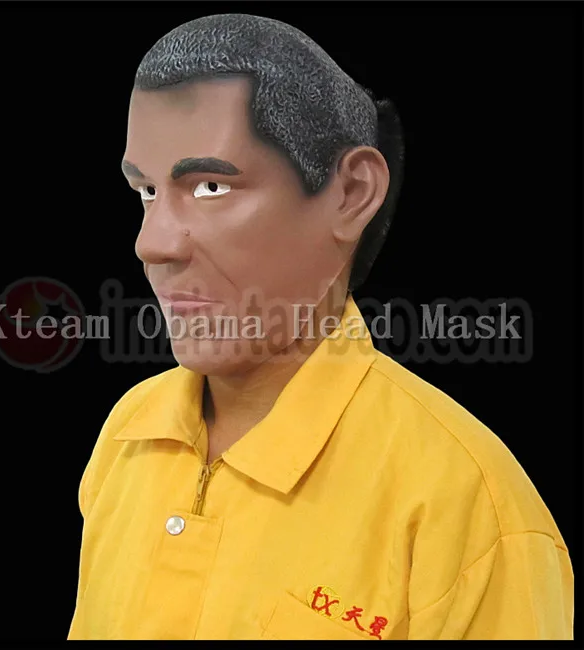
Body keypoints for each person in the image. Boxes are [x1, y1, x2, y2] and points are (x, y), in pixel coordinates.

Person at [67, 13, 573, 640]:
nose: (152, 244)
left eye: (210, 186)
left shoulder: (466, 505)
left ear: (352, 193)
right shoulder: (128, 436)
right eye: (145, 192)